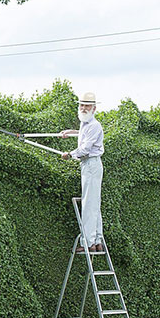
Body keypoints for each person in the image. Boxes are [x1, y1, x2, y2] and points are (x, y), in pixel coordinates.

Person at [60, 92, 104, 253]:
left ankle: (88, 243)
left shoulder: (94, 125)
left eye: (87, 105)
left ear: (94, 108)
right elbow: (84, 135)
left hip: (91, 164)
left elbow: (85, 148)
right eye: (82, 105)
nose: (84, 108)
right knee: (93, 203)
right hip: (89, 165)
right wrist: (70, 132)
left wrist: (70, 155)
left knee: (89, 204)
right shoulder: (86, 123)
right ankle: (97, 241)